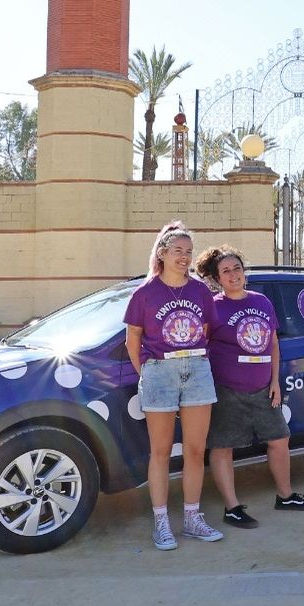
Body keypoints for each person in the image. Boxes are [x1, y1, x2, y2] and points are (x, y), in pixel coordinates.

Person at [195, 244, 304, 529]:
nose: (233, 274)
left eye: (237, 268)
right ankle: (232, 507)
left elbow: (272, 343)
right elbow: (200, 344)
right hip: (227, 390)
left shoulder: (261, 301)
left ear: (244, 272)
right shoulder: (213, 307)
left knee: (279, 439)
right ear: (218, 278)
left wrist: (275, 381)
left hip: (264, 388)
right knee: (223, 447)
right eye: (226, 271)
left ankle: (285, 496)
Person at [123, 221, 223, 549]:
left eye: (189, 252)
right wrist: (147, 371)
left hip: (196, 369)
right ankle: (162, 522)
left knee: (195, 450)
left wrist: (191, 357)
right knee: (161, 452)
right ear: (162, 253)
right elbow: (132, 339)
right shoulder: (144, 293)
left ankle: (193, 518)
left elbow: (207, 329)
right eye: (177, 251)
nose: (184, 257)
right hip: (159, 373)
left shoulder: (199, 291)